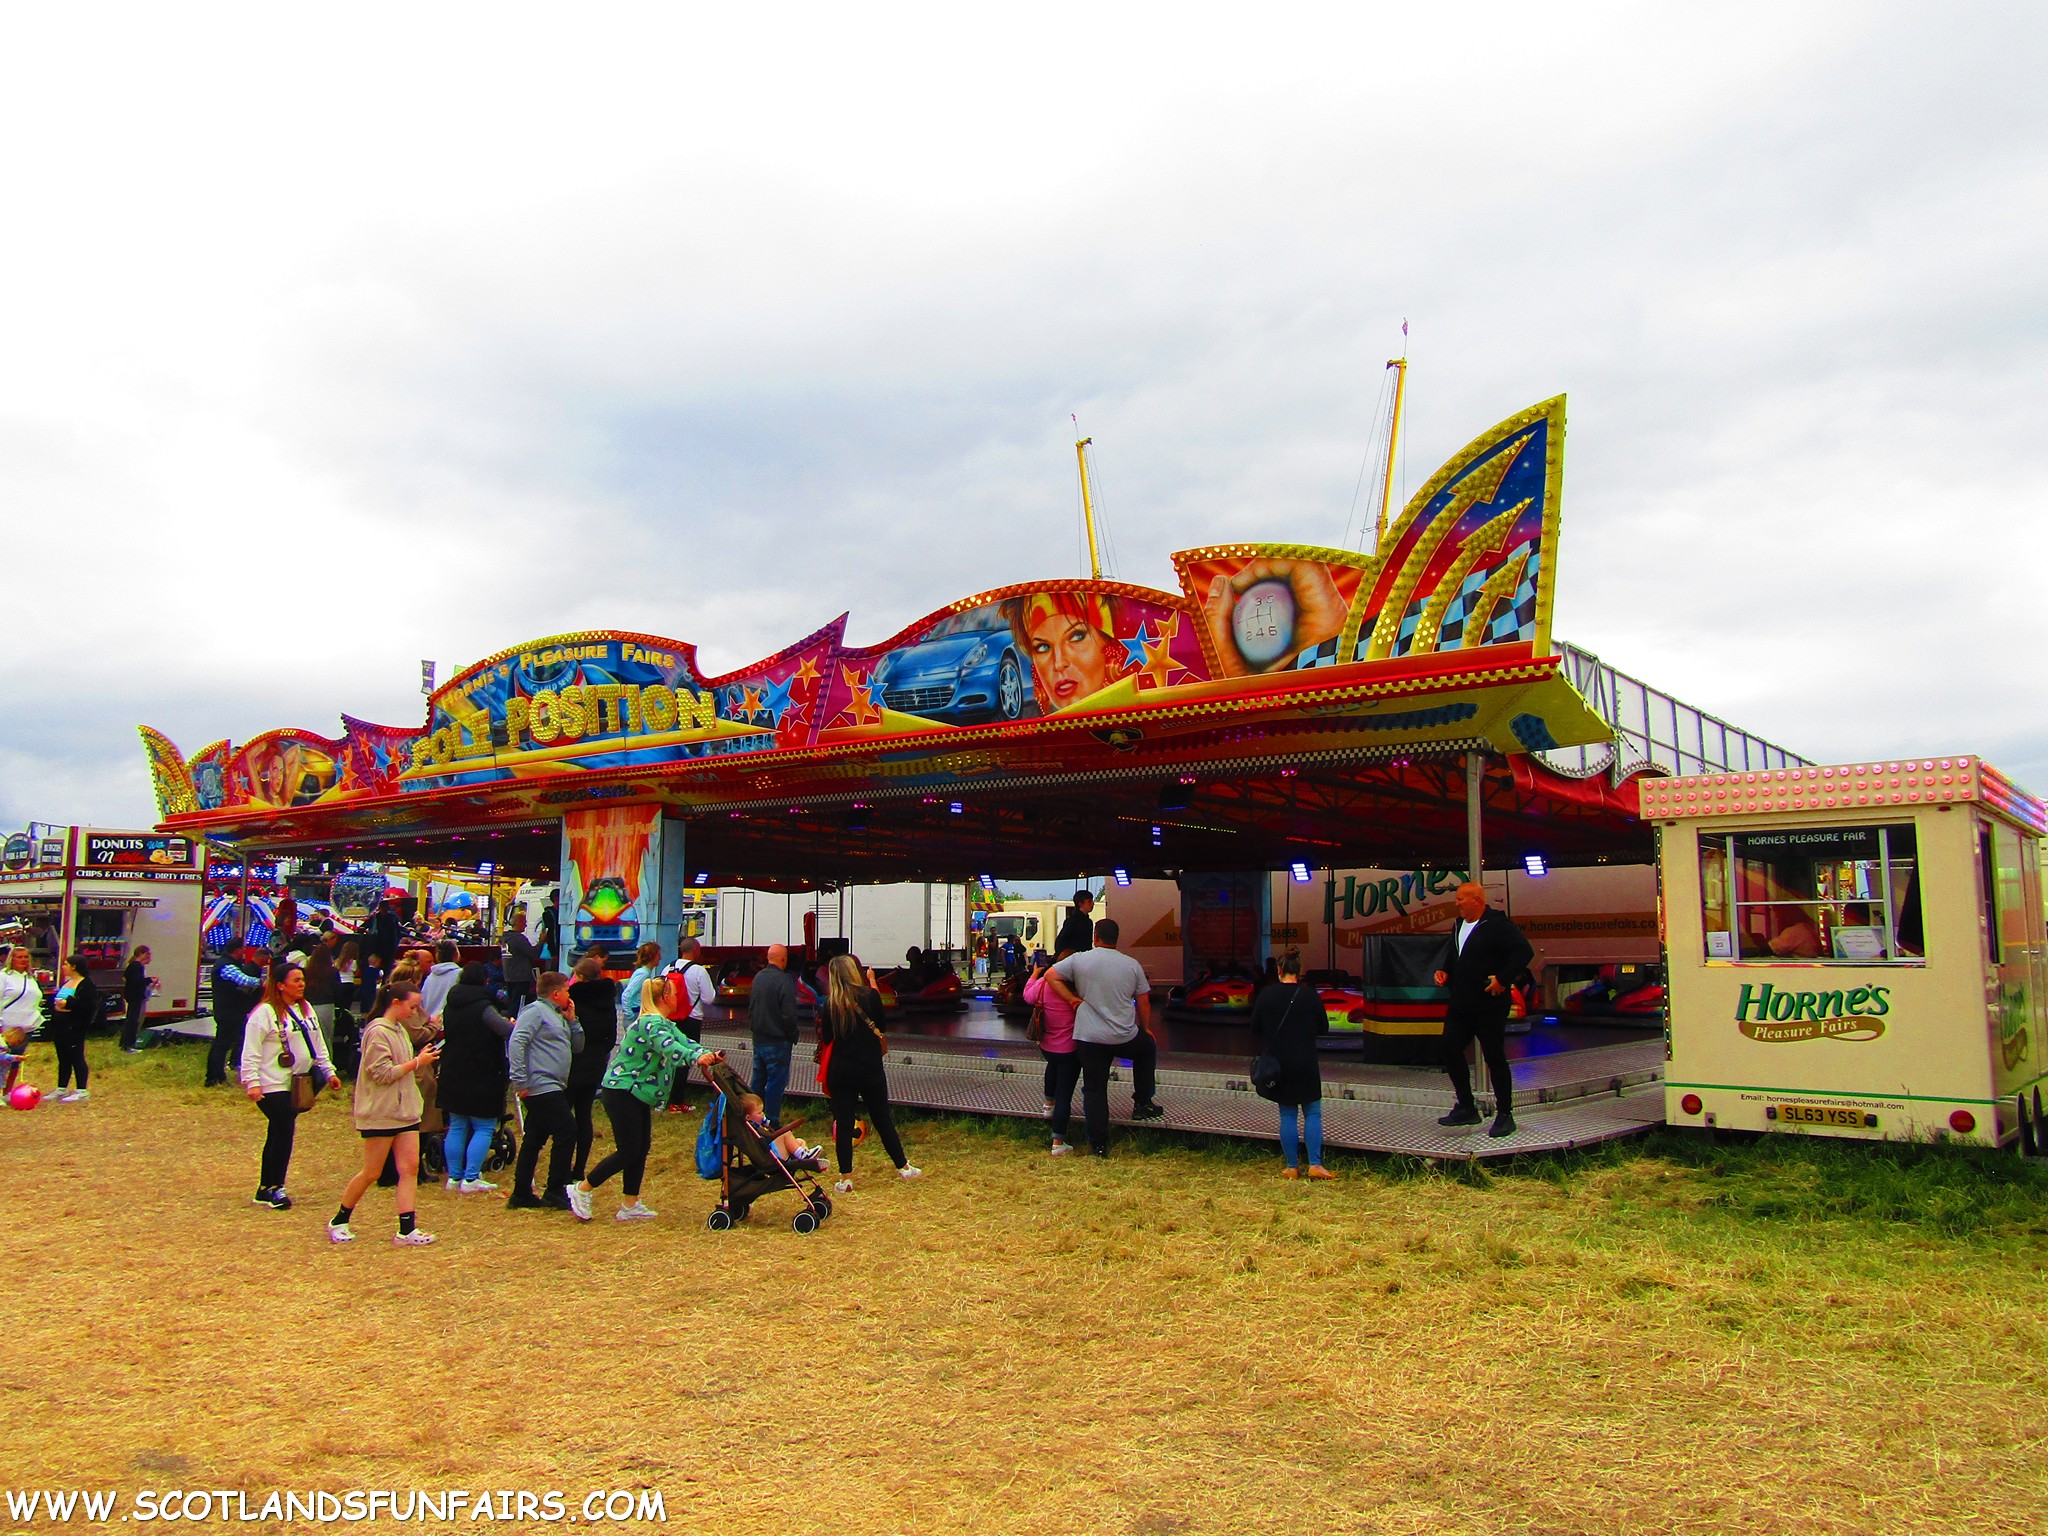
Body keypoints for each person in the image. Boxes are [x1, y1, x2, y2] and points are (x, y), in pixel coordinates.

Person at [566, 975, 722, 1223]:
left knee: (640, 1148)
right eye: (674, 992)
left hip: (636, 1093)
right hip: (622, 1091)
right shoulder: (651, 1025)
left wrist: (706, 1053)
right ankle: (582, 1188)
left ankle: (630, 1204)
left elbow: (685, 1042)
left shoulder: (664, 1023)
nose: (678, 997)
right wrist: (695, 1059)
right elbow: (670, 1048)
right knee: (628, 1151)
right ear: (665, 997)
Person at [329, 982, 443, 1247]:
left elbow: (401, 1069)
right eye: (412, 1007)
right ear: (395, 1003)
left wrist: (418, 1059)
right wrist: (417, 1063)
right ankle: (340, 1219)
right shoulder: (378, 1031)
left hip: (406, 1111)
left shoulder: (399, 1030)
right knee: (371, 1171)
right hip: (381, 1111)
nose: (415, 1013)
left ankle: (406, 1228)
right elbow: (380, 1073)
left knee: (410, 1167)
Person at [1048, 918, 1162, 1157]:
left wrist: (1071, 999)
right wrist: (1146, 1027)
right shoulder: (1131, 965)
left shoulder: (1080, 959)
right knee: (1147, 1047)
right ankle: (1143, 1101)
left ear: (1095, 937)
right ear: (1116, 938)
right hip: (1123, 1035)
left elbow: (1050, 976)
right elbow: (1143, 1000)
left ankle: (1099, 1145)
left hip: (1089, 1037)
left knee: (1095, 1089)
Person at [1432, 881, 1534, 1138]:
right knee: (1448, 1047)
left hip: (1488, 1004)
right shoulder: (1458, 925)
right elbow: (1456, 953)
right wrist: (1444, 970)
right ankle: (1466, 1106)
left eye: (1460, 899)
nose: (1456, 904)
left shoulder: (1497, 925)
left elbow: (1524, 951)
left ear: (1476, 900)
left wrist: (1503, 979)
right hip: (1461, 1003)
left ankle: (1505, 1114)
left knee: (1494, 1056)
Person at [240, 959, 341, 1209]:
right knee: (283, 1128)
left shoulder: (306, 1010)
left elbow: (318, 1044)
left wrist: (329, 1072)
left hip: (297, 1083)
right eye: (296, 980)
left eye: (303, 980)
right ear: (281, 985)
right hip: (271, 1084)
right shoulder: (263, 1014)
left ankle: (267, 1186)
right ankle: (274, 1187)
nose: (301, 985)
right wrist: (252, 1082)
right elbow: (250, 1051)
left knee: (280, 1131)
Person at [818, 954, 921, 1192]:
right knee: (882, 1118)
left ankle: (846, 1177)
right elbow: (881, 1025)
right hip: (870, 1068)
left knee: (843, 1124)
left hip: (841, 1070)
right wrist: (873, 981)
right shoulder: (870, 996)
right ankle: (903, 1166)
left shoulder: (830, 1004)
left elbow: (828, 1037)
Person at [1250, 950, 1333, 1179]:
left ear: (1278, 970)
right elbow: (1323, 1027)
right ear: (1299, 971)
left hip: (1280, 1064)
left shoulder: (1266, 996)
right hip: (1306, 1061)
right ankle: (1315, 1164)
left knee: (1287, 1114)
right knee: (1313, 1112)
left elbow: (1255, 1027)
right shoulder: (1310, 996)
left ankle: (1291, 1166)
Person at [506, 971, 585, 1210]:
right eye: (567, 990)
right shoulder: (534, 1012)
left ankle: (521, 1193)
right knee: (567, 1129)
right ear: (556, 993)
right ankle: (555, 1187)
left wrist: (573, 1021)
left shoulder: (558, 1016)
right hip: (541, 1085)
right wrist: (520, 1080)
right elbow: (517, 1042)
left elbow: (578, 1046)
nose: (569, 995)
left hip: (555, 1084)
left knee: (535, 1137)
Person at [437, 962, 514, 1193]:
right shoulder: (483, 1006)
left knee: (457, 1125)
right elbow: (505, 1030)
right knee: (484, 1126)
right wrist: (513, 1024)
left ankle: (453, 1176)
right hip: (481, 1070)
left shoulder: (451, 1004)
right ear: (485, 981)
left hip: (453, 1069)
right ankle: (471, 1177)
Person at [565, 955, 619, 1181]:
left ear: (580, 977)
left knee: (565, 1118)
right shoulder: (607, 1001)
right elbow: (611, 1037)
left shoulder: (574, 1001)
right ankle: (579, 1169)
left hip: (573, 1062)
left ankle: (563, 1166)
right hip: (596, 1061)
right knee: (584, 1115)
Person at [1023, 949, 1081, 1155]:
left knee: (1052, 1067)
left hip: (1047, 1046)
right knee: (1065, 1094)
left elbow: (1027, 996)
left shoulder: (1044, 984)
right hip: (1070, 1048)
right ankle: (1058, 1142)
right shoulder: (1077, 989)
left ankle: (1048, 1104)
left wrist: (1034, 974)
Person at [746, 942, 799, 1124]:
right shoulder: (784, 981)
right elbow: (789, 1014)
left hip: (759, 1037)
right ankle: (772, 1120)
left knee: (758, 1079)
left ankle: (753, 1116)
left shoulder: (758, 977)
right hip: (778, 1039)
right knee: (776, 1082)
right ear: (783, 959)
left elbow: (751, 1007)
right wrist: (792, 1034)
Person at [206, 945, 264, 1087]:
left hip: (226, 1009)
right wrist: (261, 982)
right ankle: (214, 1077)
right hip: (228, 1011)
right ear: (237, 950)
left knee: (222, 1044)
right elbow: (243, 980)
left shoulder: (224, 963)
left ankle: (216, 1075)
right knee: (222, 1044)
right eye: (242, 950)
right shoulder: (226, 966)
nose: (244, 953)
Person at [48, 954, 98, 1104]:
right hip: (60, 1023)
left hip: (74, 1025)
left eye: (65, 964)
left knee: (76, 1056)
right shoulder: (68, 982)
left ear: (74, 967)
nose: (63, 967)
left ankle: (81, 1090)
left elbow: (87, 1006)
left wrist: (68, 1003)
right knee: (63, 1057)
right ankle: (61, 1087)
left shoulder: (86, 984)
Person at [0, 946, 44, 1089]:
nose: (23, 960)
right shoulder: (4, 976)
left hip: (25, 1028)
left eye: (26, 957)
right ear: (12, 959)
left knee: (15, 1062)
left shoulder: (31, 978)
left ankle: (7, 1091)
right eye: (19, 957)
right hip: (6, 1026)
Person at [302, 939, 339, 1054]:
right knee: (326, 1037)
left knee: (309, 1035)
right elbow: (337, 989)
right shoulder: (332, 971)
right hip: (326, 1005)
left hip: (308, 1005)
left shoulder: (306, 971)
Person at [120, 944, 153, 1053]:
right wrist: (149, 980)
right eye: (147, 954)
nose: (148, 956)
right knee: (133, 1021)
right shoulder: (136, 966)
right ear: (141, 954)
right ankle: (128, 1044)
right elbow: (137, 982)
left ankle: (124, 1043)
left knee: (130, 1020)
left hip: (131, 995)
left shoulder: (133, 966)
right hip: (135, 996)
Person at [420, 940, 461, 1020]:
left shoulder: (429, 978)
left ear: (437, 956)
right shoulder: (461, 975)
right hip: (448, 1023)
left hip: (429, 1022)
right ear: (456, 955)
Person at [621, 942, 661, 1021]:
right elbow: (627, 994)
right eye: (658, 955)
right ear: (652, 956)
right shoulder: (643, 974)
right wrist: (630, 1015)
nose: (660, 958)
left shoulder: (644, 972)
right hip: (635, 1013)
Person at [1053, 891, 1095, 956]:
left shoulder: (1089, 922)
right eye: (1089, 901)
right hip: (1075, 958)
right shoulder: (1072, 921)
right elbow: (1060, 941)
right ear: (1080, 904)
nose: (1093, 904)